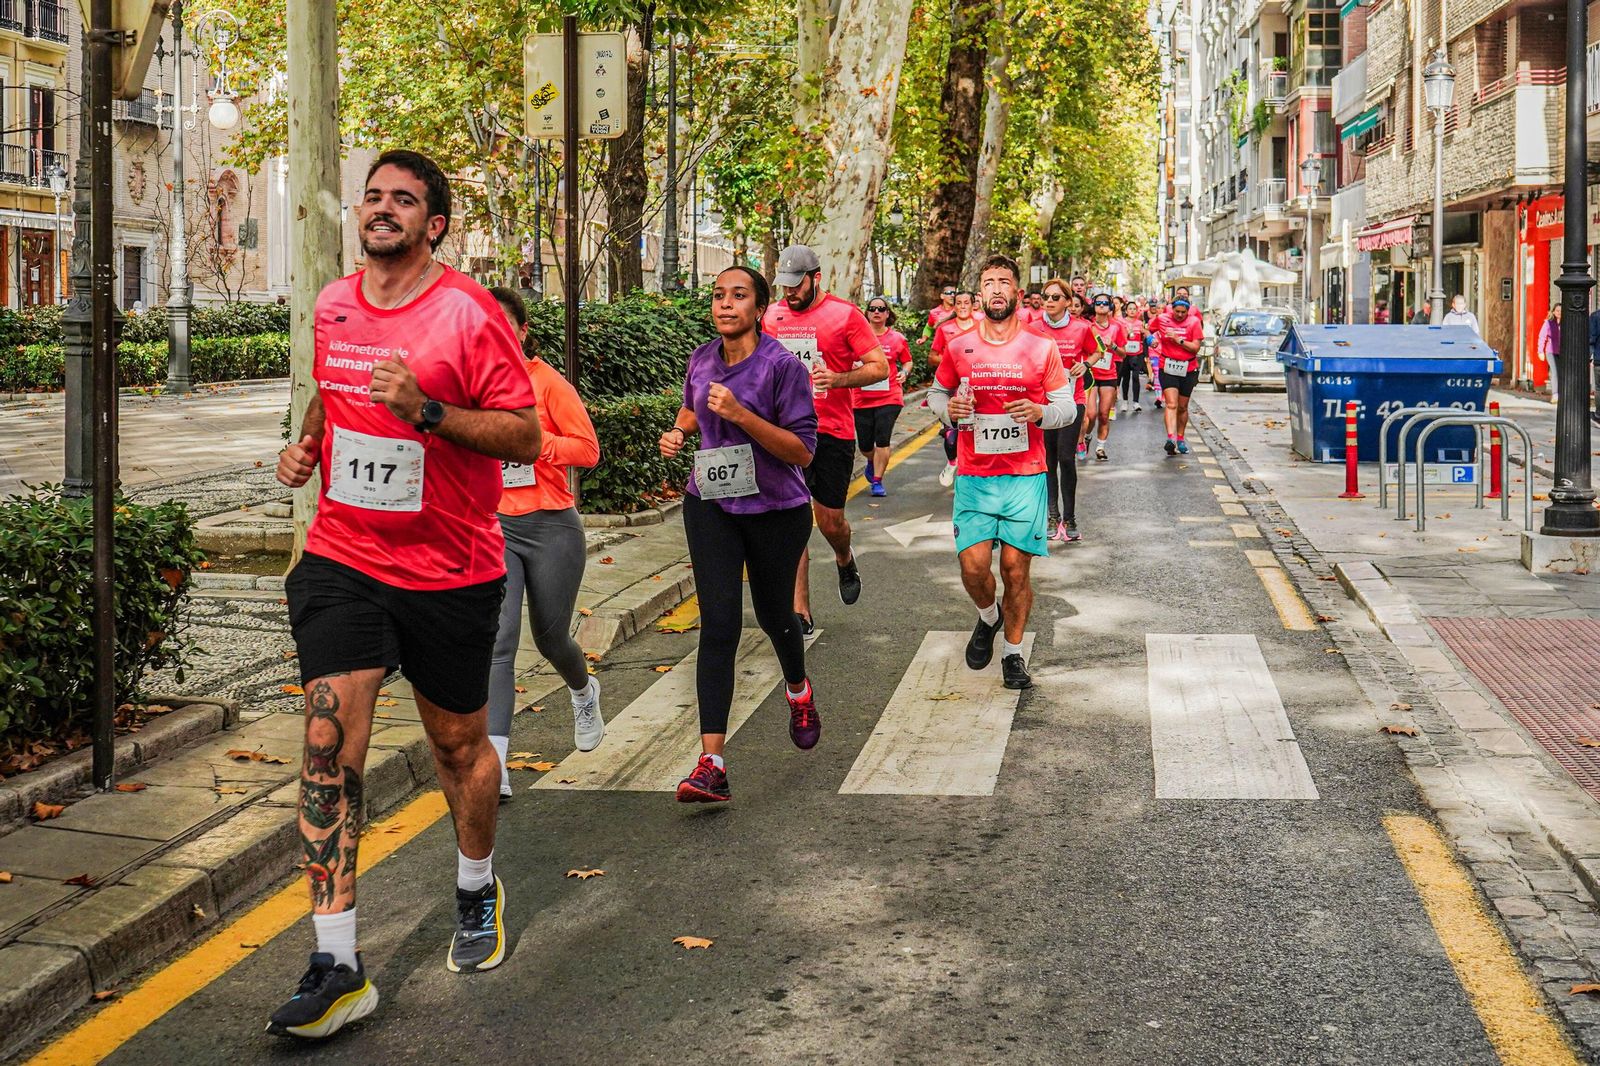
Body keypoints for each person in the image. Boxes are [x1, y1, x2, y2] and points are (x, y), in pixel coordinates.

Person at [269, 150, 541, 1038]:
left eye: (404, 200)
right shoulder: (335, 301)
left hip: (450, 569)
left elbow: (526, 436)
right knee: (325, 741)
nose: (382, 209)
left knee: (457, 747)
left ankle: (474, 887)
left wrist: (427, 410)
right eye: (374, 196)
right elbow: (333, 392)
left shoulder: (467, 313)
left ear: (436, 223)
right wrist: (309, 444)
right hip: (345, 555)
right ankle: (337, 962)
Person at [660, 266, 819, 803]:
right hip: (711, 503)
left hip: (776, 509)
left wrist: (744, 417)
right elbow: (693, 402)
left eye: (738, 296)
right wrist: (681, 430)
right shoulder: (702, 359)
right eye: (718, 295)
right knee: (720, 624)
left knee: (776, 616)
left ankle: (798, 690)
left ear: (759, 307)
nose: (725, 304)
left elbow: (802, 452)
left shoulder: (782, 367)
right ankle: (712, 764)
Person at [930, 254, 1077, 690]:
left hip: (1026, 474)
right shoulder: (959, 346)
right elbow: (937, 394)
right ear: (980, 295)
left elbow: (1066, 407)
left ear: (1017, 292)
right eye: (988, 282)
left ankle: (1013, 654)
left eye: (1004, 281)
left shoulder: (1041, 347)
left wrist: (1039, 411)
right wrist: (949, 411)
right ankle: (988, 615)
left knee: (1015, 569)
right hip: (975, 475)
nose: (996, 289)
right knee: (974, 568)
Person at [485, 288, 602, 803]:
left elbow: (588, 449)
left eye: (503, 325)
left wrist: (535, 441)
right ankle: (497, 765)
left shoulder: (547, 383)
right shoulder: (471, 385)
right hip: (496, 529)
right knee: (499, 643)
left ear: (522, 331)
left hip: (552, 527)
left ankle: (583, 690)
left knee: (552, 638)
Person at [762, 245, 888, 633]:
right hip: (784, 432)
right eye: (783, 285)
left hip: (831, 430)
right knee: (793, 516)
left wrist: (839, 379)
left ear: (816, 278)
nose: (789, 293)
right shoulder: (771, 316)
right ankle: (800, 608)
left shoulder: (845, 316)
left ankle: (844, 557)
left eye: (796, 284)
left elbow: (879, 367)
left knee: (829, 521)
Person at [1029, 277, 1091, 542]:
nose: (1050, 302)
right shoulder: (1031, 328)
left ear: (1067, 301)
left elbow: (1095, 352)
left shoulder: (1082, 328)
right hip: (1042, 404)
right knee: (1047, 461)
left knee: (1066, 458)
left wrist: (1086, 365)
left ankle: (1071, 517)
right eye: (1046, 297)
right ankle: (1052, 516)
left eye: (1056, 297)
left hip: (1071, 399)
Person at [856, 298, 914, 496]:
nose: (877, 312)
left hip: (889, 396)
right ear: (867, 313)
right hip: (861, 397)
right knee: (864, 444)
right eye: (872, 309)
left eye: (881, 309)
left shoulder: (897, 338)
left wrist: (904, 373)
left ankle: (877, 481)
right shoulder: (856, 336)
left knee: (882, 439)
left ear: (888, 314)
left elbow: (907, 361)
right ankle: (872, 461)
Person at [931, 290, 980, 488]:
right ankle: (952, 462)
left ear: (973, 305)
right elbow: (932, 357)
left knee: (973, 433)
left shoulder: (982, 328)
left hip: (976, 388)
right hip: (952, 388)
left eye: (966, 302)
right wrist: (953, 363)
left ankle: (973, 475)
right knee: (951, 436)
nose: (961, 306)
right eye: (958, 302)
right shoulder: (945, 329)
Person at [1148, 295, 1204, 454]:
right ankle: (1170, 438)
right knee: (1171, 404)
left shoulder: (1194, 322)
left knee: (1182, 407)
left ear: (1188, 310)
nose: (1180, 315)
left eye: (1183, 312)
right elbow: (1147, 330)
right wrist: (1150, 340)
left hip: (1188, 368)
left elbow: (1195, 348)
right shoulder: (1162, 318)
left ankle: (1180, 438)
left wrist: (1178, 340)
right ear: (1172, 309)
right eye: (1177, 311)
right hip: (1167, 366)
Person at [1083, 294, 1127, 462]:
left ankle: (1100, 447)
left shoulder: (1116, 327)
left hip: (1109, 375)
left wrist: (1113, 346)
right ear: (1093, 306)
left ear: (1110, 307)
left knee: (1103, 414)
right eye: (1098, 303)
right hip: (1092, 373)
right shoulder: (1088, 326)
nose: (1101, 306)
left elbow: (1123, 354)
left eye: (1105, 303)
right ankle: (1087, 437)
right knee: (1091, 414)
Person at [1117, 299, 1147, 414]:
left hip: (1137, 353)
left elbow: (1143, 338)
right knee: (1125, 377)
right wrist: (1127, 333)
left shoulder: (1140, 323)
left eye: (1134, 309)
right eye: (1130, 309)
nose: (1132, 311)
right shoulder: (1122, 322)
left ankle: (1136, 402)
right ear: (1126, 310)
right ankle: (1125, 402)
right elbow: (1120, 337)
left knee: (1135, 376)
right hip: (1125, 354)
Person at [1540, 304, 1562, 403]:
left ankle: (1562, 393)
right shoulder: (1548, 323)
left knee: (1562, 373)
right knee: (1555, 372)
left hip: (1563, 352)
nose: (1559, 313)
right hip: (1551, 351)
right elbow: (1542, 337)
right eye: (1557, 310)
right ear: (1553, 312)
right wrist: (1540, 351)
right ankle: (1555, 395)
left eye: (1561, 311)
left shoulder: (1566, 323)